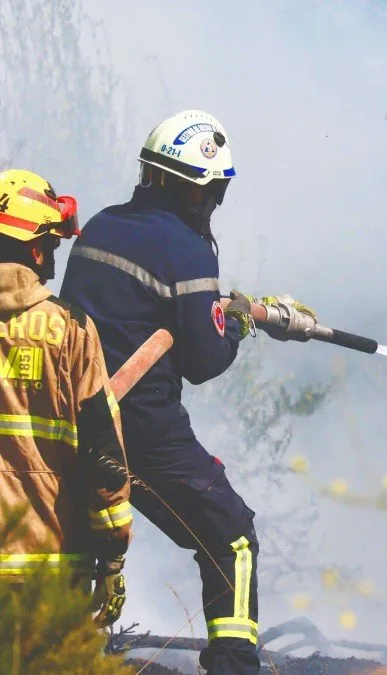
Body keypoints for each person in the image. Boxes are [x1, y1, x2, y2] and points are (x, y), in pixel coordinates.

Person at [58, 110, 315, 674]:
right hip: (145, 431)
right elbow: (203, 362)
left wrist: (217, 311)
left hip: (73, 420)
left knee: (76, 545)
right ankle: (234, 664)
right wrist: (242, 323)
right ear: (203, 190)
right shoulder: (188, 250)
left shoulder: (102, 225)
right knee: (232, 536)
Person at [0, 168, 131, 628]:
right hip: (49, 566)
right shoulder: (69, 329)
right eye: (53, 244)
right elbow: (101, 449)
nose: (53, 257)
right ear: (36, 247)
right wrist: (114, 551)